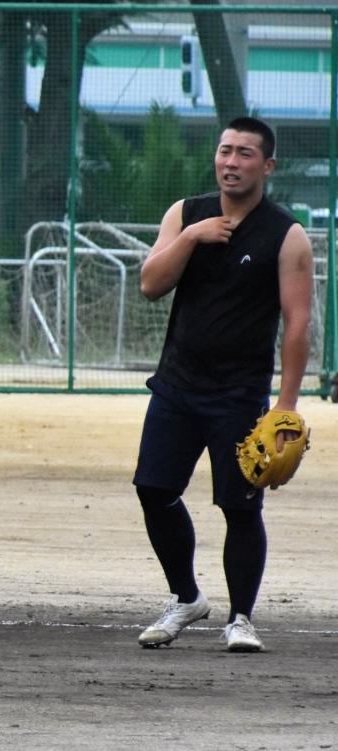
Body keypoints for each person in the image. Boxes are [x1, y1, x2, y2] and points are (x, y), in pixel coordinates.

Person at [133, 117, 313, 653]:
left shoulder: (286, 234)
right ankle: (186, 598)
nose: (231, 162)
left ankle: (240, 618)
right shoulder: (185, 215)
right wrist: (192, 236)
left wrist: (285, 410)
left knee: (239, 507)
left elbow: (297, 323)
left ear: (267, 165)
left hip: (238, 394)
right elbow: (150, 284)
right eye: (225, 151)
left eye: (245, 154)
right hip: (177, 386)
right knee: (154, 490)